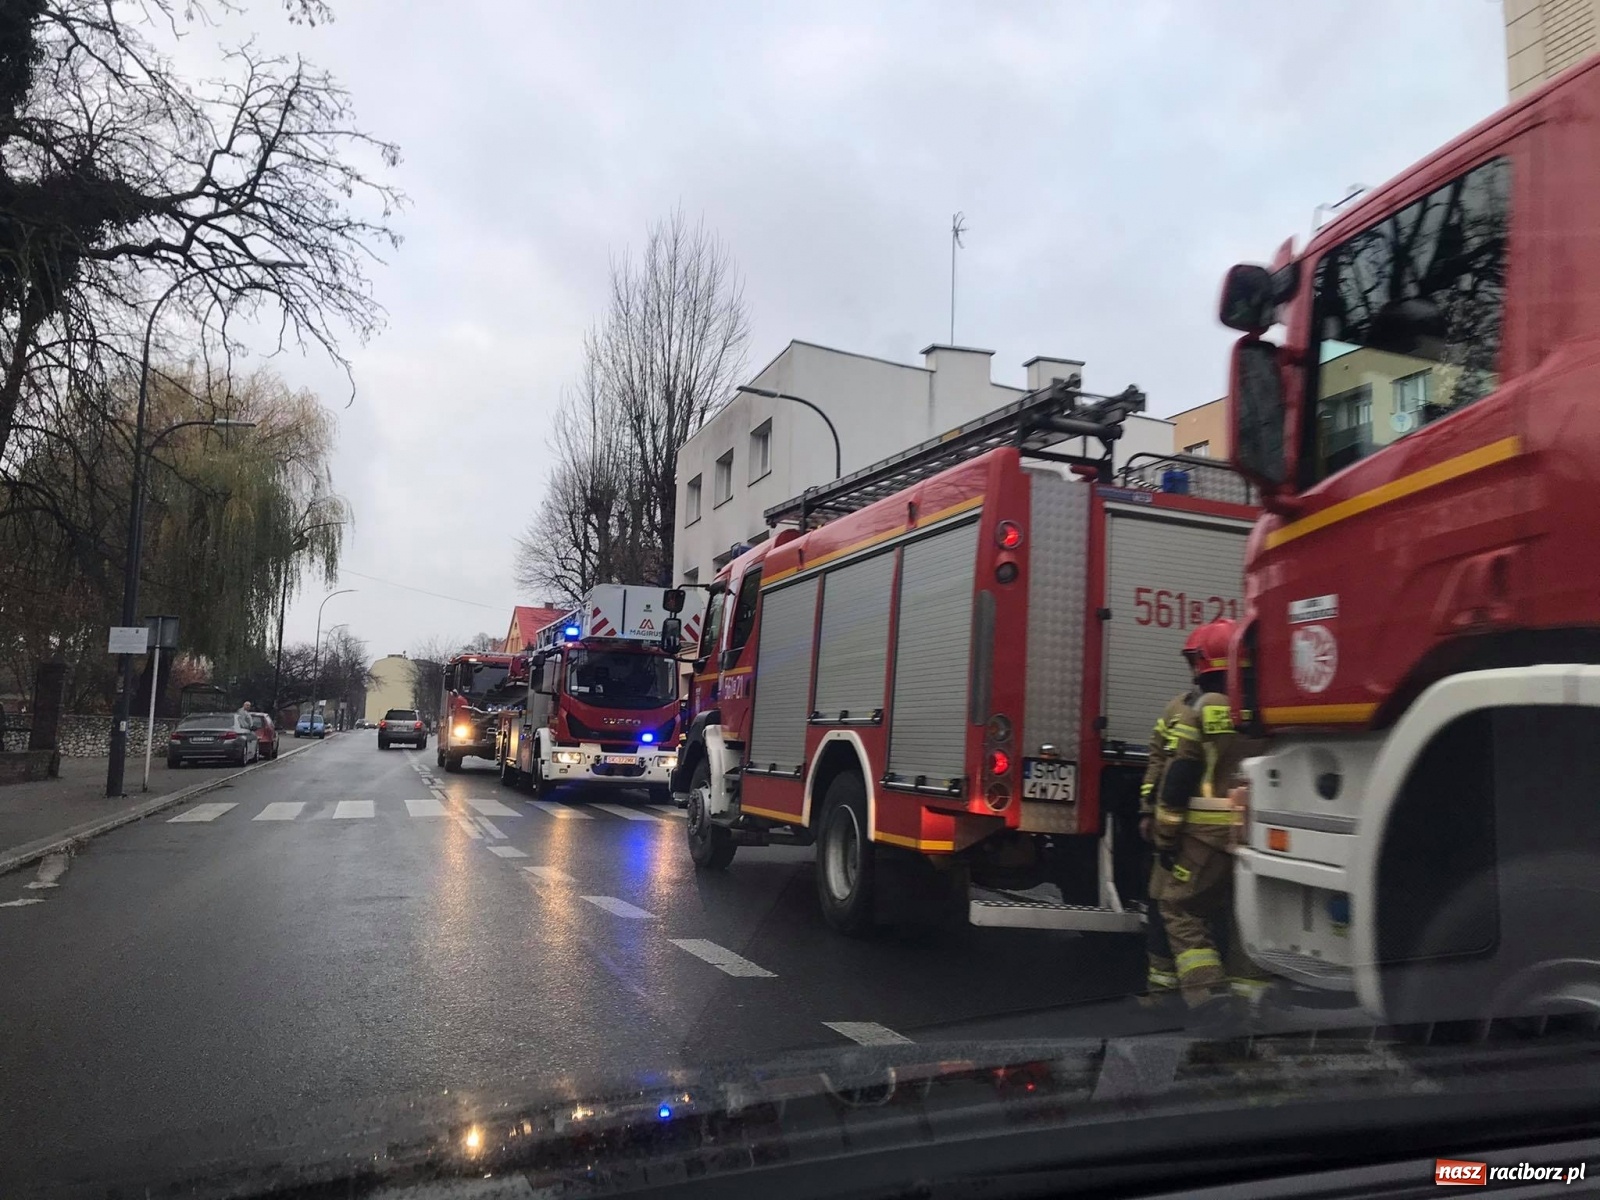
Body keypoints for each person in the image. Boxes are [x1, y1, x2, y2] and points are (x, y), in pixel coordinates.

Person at [1151, 617, 1268, 1024]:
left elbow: (1180, 774)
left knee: (1178, 907)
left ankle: (1207, 996)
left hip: (1205, 835)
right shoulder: (1267, 705)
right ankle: (1253, 1001)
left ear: (1201, 663)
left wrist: (1166, 836)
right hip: (1256, 831)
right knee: (1244, 915)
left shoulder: (1202, 709)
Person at [1135, 629, 1212, 1011]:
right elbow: (1156, 760)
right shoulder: (1247, 711)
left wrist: (1157, 822)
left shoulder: (1186, 711)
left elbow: (1168, 769)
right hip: (1227, 834)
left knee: (1169, 905)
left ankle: (1188, 997)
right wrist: (1148, 808)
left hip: (1185, 830)